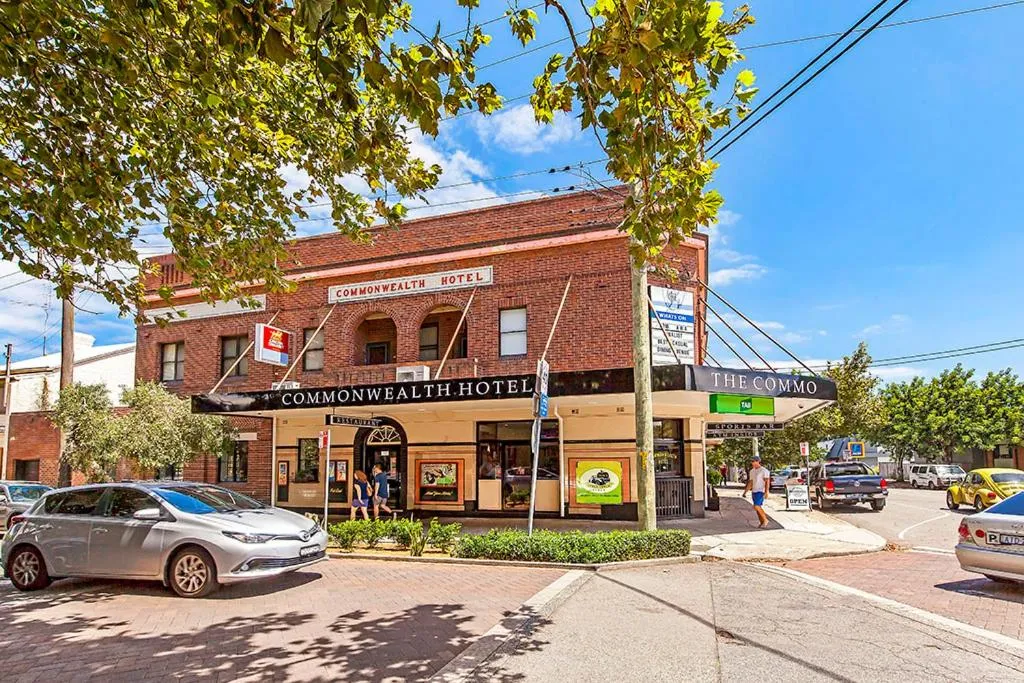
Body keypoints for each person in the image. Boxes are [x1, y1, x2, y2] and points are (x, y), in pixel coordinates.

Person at [743, 455, 771, 528]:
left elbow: (767, 481)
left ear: (758, 461)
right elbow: (751, 482)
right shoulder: (752, 471)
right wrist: (745, 491)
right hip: (754, 491)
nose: (752, 463)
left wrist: (766, 491)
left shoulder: (764, 471)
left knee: (756, 506)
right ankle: (761, 522)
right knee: (757, 508)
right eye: (752, 461)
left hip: (760, 491)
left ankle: (765, 520)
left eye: (754, 461)